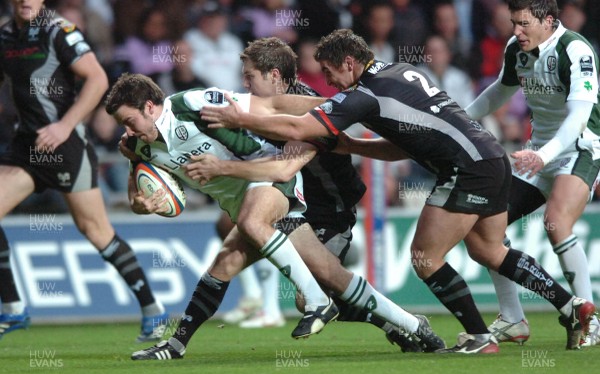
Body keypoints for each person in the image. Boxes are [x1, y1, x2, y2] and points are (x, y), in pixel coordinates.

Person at [201, 28, 597, 353]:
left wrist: (240, 116)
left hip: (466, 170)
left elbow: (298, 129)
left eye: (330, 71)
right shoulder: (399, 72)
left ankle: (479, 338)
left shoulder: (364, 95)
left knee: (424, 257)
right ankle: (572, 305)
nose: (329, 82)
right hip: (490, 157)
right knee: (489, 250)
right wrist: (355, 146)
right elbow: (401, 145)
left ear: (349, 64)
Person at [105, 73, 444, 360]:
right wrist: (142, 205)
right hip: (243, 203)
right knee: (258, 267)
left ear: (150, 107)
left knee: (254, 224)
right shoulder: (136, 147)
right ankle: (414, 326)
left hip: (267, 177)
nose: (127, 131)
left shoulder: (192, 104)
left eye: (129, 121)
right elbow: (139, 193)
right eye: (123, 125)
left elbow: (271, 106)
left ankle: (316, 302)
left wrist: (347, 107)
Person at [188, 36, 437, 350]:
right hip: (294, 206)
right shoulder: (263, 108)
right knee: (232, 250)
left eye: (250, 76)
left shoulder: (307, 115)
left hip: (328, 210)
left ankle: (400, 322)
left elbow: (283, 168)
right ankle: (179, 341)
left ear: (275, 77)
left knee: (311, 297)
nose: (244, 84)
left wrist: (222, 168)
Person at [0, 0, 167, 341]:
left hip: (65, 146)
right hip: (26, 147)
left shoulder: (57, 30)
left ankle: (154, 311)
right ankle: (14, 308)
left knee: (96, 231)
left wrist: (64, 126)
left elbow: (97, 78)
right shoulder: (5, 35)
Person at [464, 0, 600, 346]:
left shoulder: (576, 50)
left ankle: (590, 320)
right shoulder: (517, 49)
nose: (515, 31)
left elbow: (578, 118)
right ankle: (513, 319)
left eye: (523, 24)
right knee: (484, 225)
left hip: (580, 147)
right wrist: (460, 119)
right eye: (513, 23)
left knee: (555, 223)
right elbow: (501, 90)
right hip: (537, 152)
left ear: (548, 21)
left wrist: (546, 155)